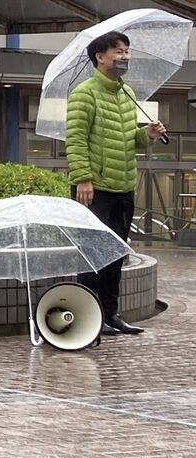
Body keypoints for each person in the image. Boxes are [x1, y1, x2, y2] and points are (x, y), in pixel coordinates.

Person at [65, 30, 165, 335]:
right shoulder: (84, 93)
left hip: (123, 187)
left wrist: (146, 134)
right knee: (92, 256)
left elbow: (126, 140)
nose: (125, 57)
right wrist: (83, 178)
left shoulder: (127, 93)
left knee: (116, 255)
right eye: (118, 51)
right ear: (100, 56)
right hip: (94, 190)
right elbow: (76, 139)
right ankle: (88, 317)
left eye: (127, 51)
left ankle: (111, 314)